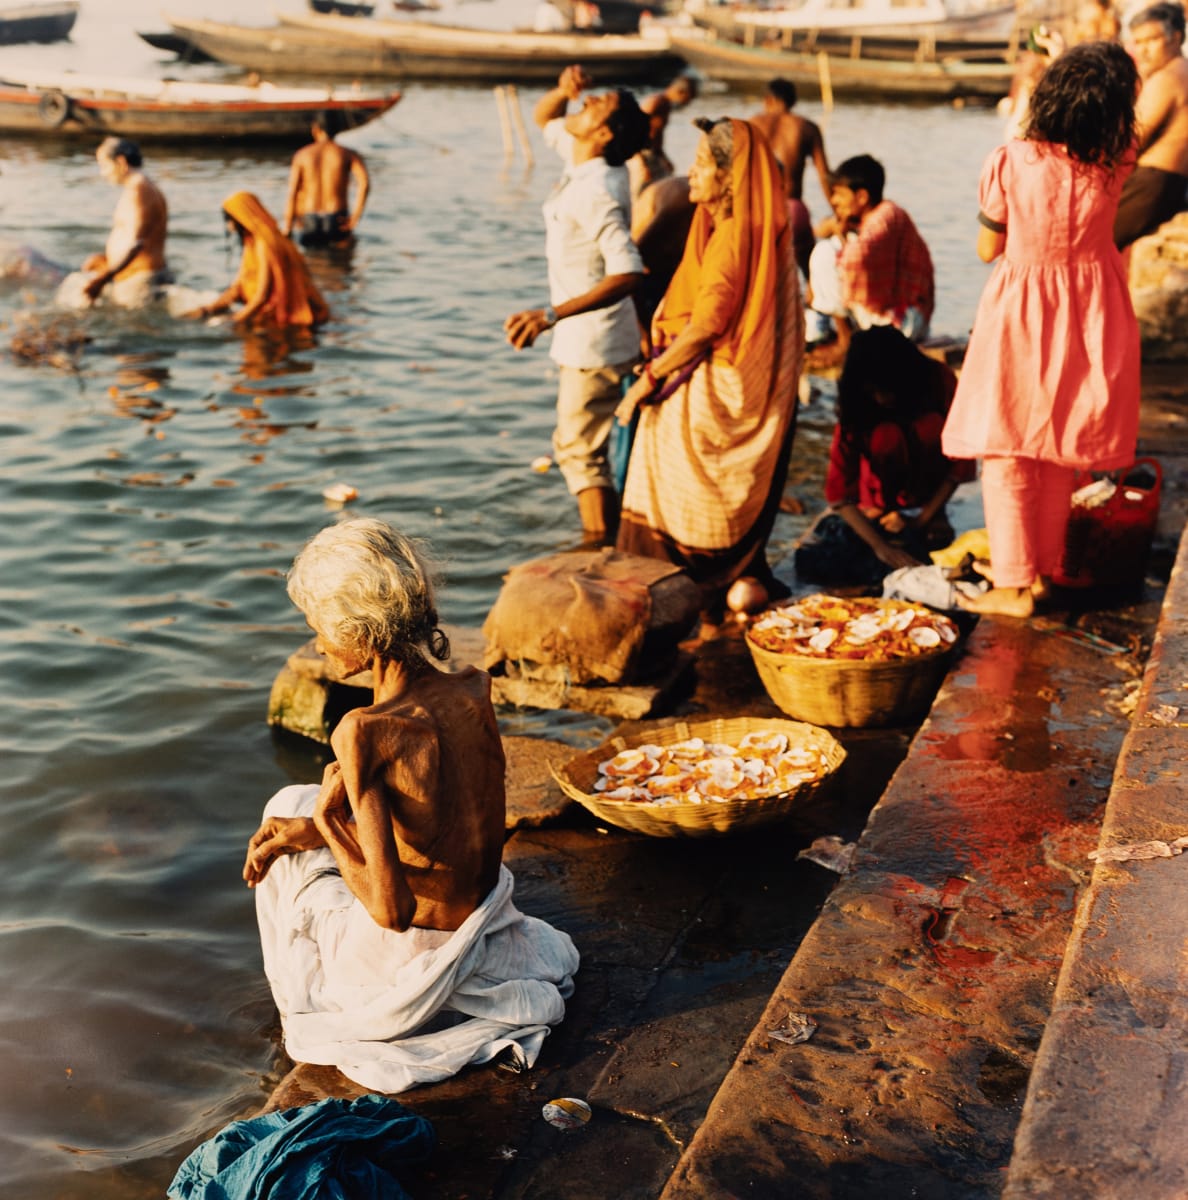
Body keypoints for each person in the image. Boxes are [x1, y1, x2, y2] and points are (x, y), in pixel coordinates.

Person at [244, 517, 579, 1092]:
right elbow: (440, 818)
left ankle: (353, 996)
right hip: (479, 918)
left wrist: (327, 821)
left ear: (362, 631)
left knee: (293, 805)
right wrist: (323, 821)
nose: (319, 642)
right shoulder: (473, 686)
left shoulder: (363, 730)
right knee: (302, 804)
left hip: (406, 955)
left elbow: (392, 911)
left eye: (320, 627)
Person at [942, 41, 1141, 617]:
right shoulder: (1116, 157)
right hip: (1093, 309)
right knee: (1059, 449)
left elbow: (986, 249)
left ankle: (1012, 585)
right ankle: (1048, 572)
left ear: (1048, 95)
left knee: (1008, 449)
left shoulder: (1012, 159)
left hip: (1024, 308)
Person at [615, 118, 804, 620]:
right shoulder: (762, 229)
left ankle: (686, 590)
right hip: (742, 385)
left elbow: (705, 326)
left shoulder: (733, 235)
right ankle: (728, 583)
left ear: (729, 177)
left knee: (666, 491)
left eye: (701, 165)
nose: (691, 174)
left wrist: (647, 383)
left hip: (710, 386)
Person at [503, 65, 648, 545]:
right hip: (599, 338)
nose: (584, 104)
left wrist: (549, 315)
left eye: (594, 104)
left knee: (578, 451)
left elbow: (629, 271)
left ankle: (596, 545)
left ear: (604, 132)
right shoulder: (586, 159)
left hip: (594, 344)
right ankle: (606, 534)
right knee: (594, 449)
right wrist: (562, 91)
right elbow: (545, 115)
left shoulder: (596, 191)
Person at [795, 326, 975, 585]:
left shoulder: (940, 382)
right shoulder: (856, 405)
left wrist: (922, 519)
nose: (883, 397)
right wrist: (881, 547)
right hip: (873, 503)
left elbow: (961, 461)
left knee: (934, 547)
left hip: (929, 497)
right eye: (874, 390)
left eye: (888, 389)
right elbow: (839, 494)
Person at [806, 154, 935, 365]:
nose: (834, 201)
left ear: (862, 197)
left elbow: (854, 260)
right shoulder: (877, 217)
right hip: (897, 319)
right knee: (831, 249)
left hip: (901, 322)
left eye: (839, 194)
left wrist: (837, 233)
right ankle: (842, 336)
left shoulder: (885, 217)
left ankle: (845, 341)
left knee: (825, 252)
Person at [187, 192, 329, 329]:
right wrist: (208, 310)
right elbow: (239, 286)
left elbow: (262, 296)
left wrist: (234, 321)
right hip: (268, 312)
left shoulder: (265, 243)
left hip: (289, 319)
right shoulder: (253, 241)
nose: (228, 226)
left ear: (240, 217)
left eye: (228, 219)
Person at [1113, 2, 1188, 249]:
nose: (1143, 51)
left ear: (1175, 38)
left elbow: (1131, 140)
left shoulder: (1168, 77)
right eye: (1138, 42)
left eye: (1150, 40)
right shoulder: (1181, 71)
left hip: (1151, 183)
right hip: (1168, 184)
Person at [748, 78, 831, 276]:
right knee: (811, 274)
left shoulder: (751, 125)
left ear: (768, 99)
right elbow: (824, 176)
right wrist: (839, 212)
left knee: (758, 276)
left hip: (757, 210)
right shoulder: (806, 127)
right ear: (792, 101)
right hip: (792, 209)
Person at [82, 138, 170, 307]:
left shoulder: (139, 189)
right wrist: (105, 261)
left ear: (120, 162)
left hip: (140, 281)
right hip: (136, 276)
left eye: (104, 166)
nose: (103, 173)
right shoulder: (142, 186)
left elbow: (137, 243)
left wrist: (102, 279)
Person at [281, 110, 371, 249]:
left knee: (312, 264)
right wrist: (355, 217)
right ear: (338, 129)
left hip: (309, 216)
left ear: (316, 129)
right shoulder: (347, 154)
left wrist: (288, 226)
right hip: (336, 217)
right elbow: (364, 183)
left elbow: (293, 191)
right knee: (341, 264)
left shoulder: (302, 155)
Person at [628, 75, 698, 201]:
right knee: (644, 192)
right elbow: (633, 128)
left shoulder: (666, 105)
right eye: (688, 99)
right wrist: (639, 162)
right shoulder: (655, 102)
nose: (687, 103)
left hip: (654, 154)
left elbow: (657, 135)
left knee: (665, 188)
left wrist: (663, 157)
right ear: (681, 92)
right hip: (642, 154)